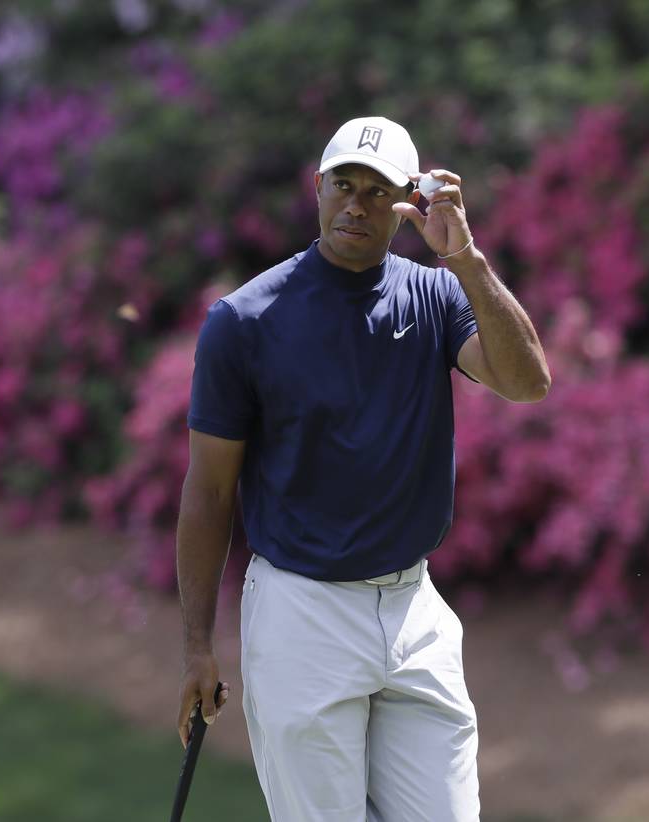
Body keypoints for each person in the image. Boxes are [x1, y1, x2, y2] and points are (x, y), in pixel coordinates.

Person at [175, 115, 550, 821]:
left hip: (413, 610)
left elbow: (527, 382)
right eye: (343, 185)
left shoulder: (434, 296)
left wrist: (464, 257)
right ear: (318, 190)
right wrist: (197, 648)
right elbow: (209, 491)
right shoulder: (244, 321)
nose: (357, 204)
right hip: (301, 612)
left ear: (410, 203)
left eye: (379, 193)